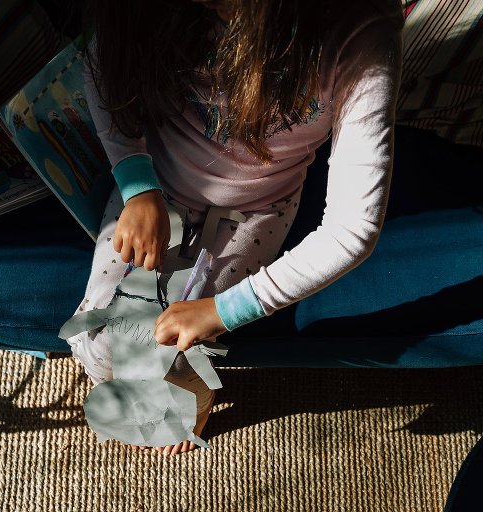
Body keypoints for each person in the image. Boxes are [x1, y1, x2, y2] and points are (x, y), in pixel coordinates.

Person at [66, 0, 404, 455]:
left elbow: (353, 228)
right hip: (155, 181)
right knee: (100, 342)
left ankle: (195, 398)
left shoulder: (357, 28)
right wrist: (137, 184)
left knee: (178, 356)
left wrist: (223, 311)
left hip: (260, 206)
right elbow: (102, 61)